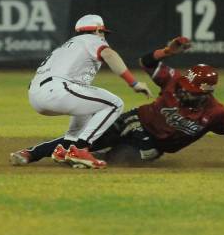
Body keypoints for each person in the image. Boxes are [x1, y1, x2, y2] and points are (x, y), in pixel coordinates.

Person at [13, 36, 224, 169]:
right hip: (135, 119)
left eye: (192, 89)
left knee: (121, 158)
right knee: (86, 138)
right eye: (186, 84)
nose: (185, 90)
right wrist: (168, 52)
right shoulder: (173, 79)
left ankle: (80, 158)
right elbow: (147, 62)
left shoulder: (216, 113)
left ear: (206, 93)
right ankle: (31, 153)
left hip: (154, 144)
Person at [10, 14, 152, 169]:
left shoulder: (67, 45)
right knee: (114, 104)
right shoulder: (92, 40)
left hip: (37, 94)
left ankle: (58, 150)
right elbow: (110, 54)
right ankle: (80, 149)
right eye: (103, 32)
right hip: (58, 89)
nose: (104, 36)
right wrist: (134, 83)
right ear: (97, 30)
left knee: (83, 117)